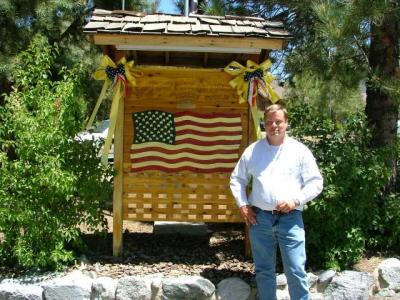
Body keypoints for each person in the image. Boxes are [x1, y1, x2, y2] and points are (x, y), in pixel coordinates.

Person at [230, 104, 323, 300]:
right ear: (264, 124)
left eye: (278, 121)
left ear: (286, 123)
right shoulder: (253, 151)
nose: (274, 126)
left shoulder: (299, 151)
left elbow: (316, 183)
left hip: (291, 219)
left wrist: (296, 200)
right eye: (270, 122)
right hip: (260, 219)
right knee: (264, 270)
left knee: (296, 270)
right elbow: (237, 179)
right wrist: (243, 205)